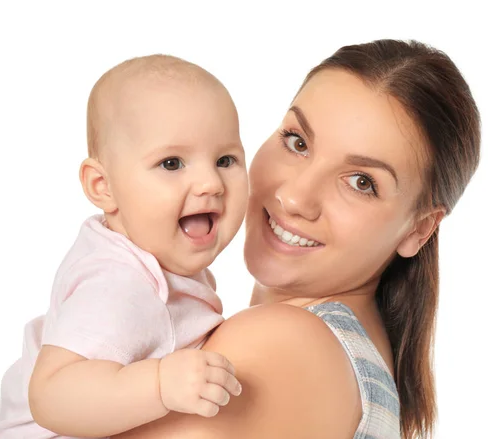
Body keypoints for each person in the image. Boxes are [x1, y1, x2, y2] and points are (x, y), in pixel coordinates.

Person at [114, 39, 481, 439]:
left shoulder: (286, 345)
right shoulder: (351, 360)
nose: (295, 197)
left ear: (419, 229)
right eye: (298, 142)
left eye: (361, 182)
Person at [0, 55, 248, 439]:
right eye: (172, 163)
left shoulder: (153, 254)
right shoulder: (119, 283)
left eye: (225, 160)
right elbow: (51, 395)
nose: (210, 182)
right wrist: (159, 384)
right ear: (103, 186)